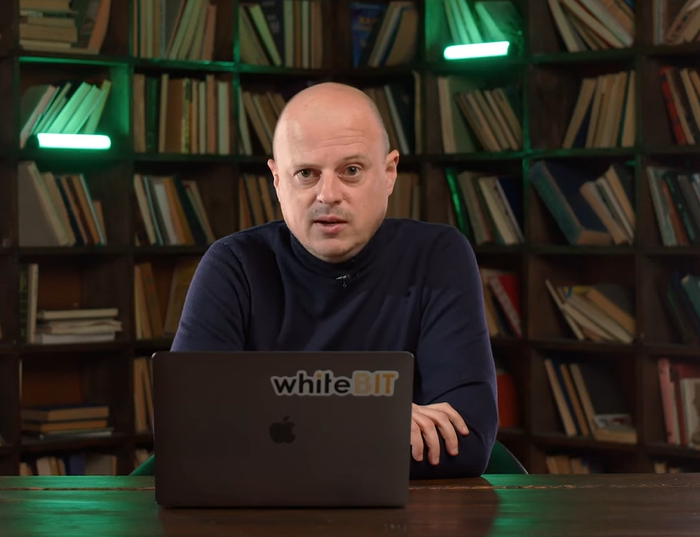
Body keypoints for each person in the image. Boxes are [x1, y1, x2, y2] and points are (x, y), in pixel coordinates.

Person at [169, 82, 498, 479]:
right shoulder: (234, 265)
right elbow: (186, 434)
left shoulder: (438, 256)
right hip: (260, 515)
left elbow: (467, 442)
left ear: (389, 173)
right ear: (277, 180)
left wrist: (277, 435)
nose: (328, 195)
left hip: (405, 515)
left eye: (351, 171)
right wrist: (376, 420)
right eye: (306, 173)